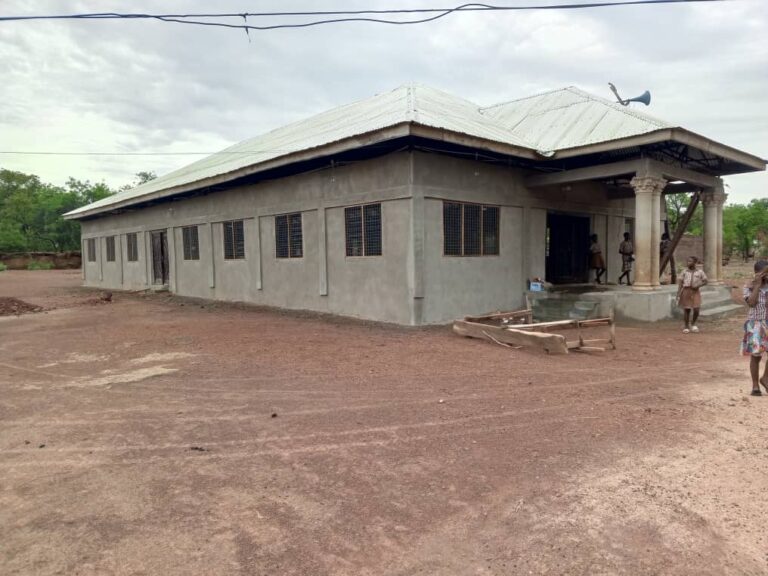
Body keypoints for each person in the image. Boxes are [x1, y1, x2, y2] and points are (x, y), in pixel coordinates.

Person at [741, 260, 768, 396]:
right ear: (757, 273)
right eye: (764, 273)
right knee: (756, 356)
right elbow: (751, 303)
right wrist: (757, 285)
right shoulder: (749, 286)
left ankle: (765, 378)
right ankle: (755, 385)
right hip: (755, 324)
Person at [676, 256, 708, 334]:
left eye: (690, 261)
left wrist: (698, 285)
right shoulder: (684, 271)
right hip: (686, 290)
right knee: (687, 309)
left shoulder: (700, 272)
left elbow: (705, 281)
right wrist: (678, 293)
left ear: (695, 263)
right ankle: (686, 326)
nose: (688, 263)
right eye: (687, 261)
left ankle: (693, 324)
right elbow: (680, 283)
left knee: (696, 309)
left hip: (695, 291)